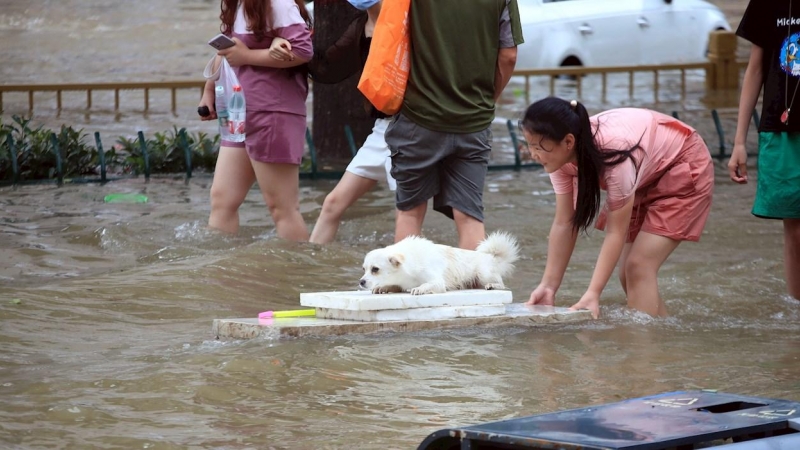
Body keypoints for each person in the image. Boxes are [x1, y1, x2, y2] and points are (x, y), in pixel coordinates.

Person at [522, 97, 714, 318]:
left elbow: (616, 231)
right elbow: (564, 222)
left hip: (681, 162)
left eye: (538, 147)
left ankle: (644, 348)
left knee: (638, 267)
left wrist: (593, 293)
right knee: (627, 274)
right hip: (645, 172)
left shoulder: (616, 156)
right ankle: (663, 341)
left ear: (568, 142)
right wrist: (548, 286)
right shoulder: (558, 159)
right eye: (530, 145)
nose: (533, 154)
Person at [383, 0, 524, 250]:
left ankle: (403, 287)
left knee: (410, 213)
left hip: (418, 116)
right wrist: (488, 99)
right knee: (469, 215)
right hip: (474, 120)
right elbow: (509, 56)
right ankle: (475, 286)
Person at [269, 0, 397, 245]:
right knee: (332, 205)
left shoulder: (406, 23)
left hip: (411, 127)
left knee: (409, 211)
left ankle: (420, 275)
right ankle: (312, 273)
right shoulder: (361, 25)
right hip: (382, 129)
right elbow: (326, 67)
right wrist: (288, 45)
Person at [198, 0, 312, 240]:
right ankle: (221, 272)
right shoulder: (237, 5)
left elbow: (303, 51)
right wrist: (209, 90)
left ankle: (297, 272)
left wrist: (247, 55)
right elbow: (226, 51)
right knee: (222, 200)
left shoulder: (279, 4)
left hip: (273, 113)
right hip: (239, 113)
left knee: (282, 208)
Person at [728, 1, 800, 301]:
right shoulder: (767, 2)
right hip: (781, 130)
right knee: (795, 230)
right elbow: (755, 69)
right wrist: (739, 142)